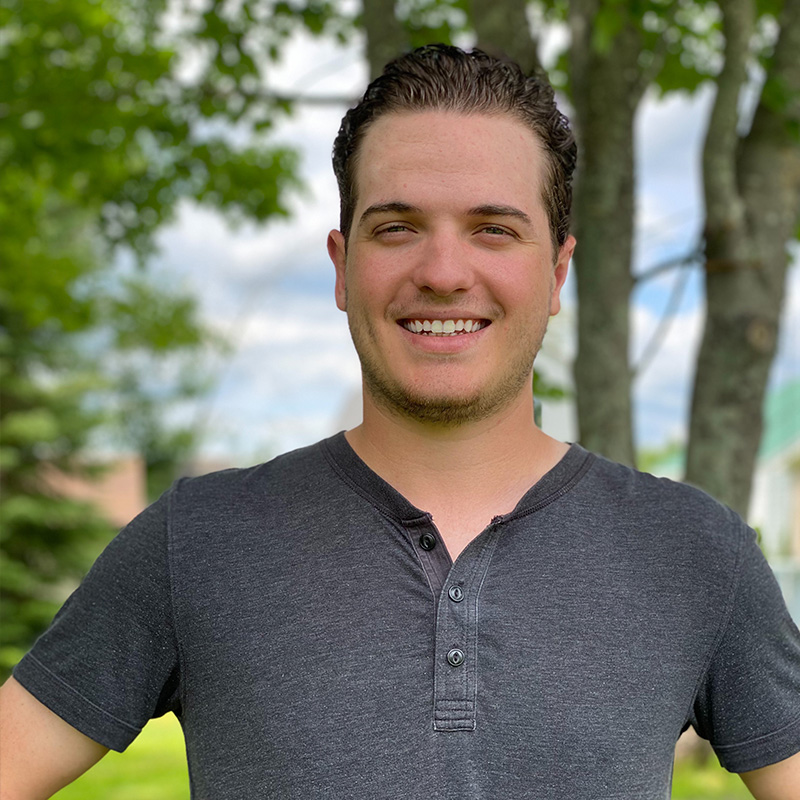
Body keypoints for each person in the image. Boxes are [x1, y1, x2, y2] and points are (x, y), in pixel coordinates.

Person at [1, 44, 799, 800]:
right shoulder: (196, 542)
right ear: (342, 268)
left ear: (556, 272)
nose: (444, 273)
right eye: (397, 228)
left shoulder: (693, 550)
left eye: (493, 228)